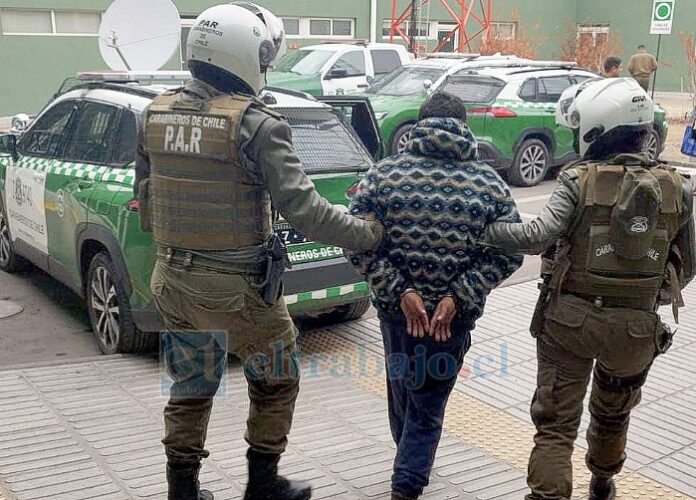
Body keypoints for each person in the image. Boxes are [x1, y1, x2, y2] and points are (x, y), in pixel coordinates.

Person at [134, 3, 384, 499]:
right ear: (244, 56)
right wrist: (368, 233)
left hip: (172, 278)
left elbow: (146, 197)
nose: (265, 69)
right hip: (237, 289)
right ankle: (263, 483)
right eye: (264, 59)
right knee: (278, 373)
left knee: (191, 381)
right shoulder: (257, 125)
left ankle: (181, 491)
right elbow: (307, 211)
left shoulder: (154, 113)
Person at [483, 78, 695, 500]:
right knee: (613, 414)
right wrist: (654, 293)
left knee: (556, 426)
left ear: (597, 127)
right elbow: (690, 259)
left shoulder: (578, 180)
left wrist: (486, 230)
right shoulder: (678, 187)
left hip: (569, 324)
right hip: (635, 330)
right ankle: (603, 481)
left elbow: (536, 235)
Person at [348, 92, 523, 500]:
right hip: (451, 322)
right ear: (463, 126)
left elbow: (354, 241)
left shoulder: (383, 175)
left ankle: (407, 468)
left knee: (403, 396)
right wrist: (458, 297)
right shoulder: (489, 183)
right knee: (427, 406)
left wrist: (400, 291)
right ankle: (407, 482)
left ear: (420, 123)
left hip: (396, 315)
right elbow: (512, 250)